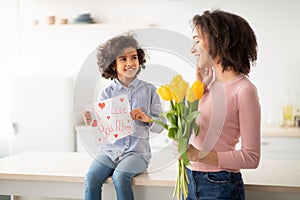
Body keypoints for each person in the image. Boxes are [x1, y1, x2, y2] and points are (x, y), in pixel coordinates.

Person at [184, 10, 261, 200]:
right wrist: (196, 92)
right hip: (189, 180)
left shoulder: (244, 90)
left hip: (219, 184)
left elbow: (251, 157)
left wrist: (199, 155)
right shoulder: (206, 86)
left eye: (197, 40)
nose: (192, 49)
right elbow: (183, 133)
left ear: (219, 40)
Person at [83, 33, 165, 200]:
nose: (130, 63)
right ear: (113, 64)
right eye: (123, 59)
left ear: (139, 60)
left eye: (133, 57)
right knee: (92, 176)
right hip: (111, 151)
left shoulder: (149, 90)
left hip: (137, 154)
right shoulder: (106, 93)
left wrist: (147, 119)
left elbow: (162, 125)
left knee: (120, 177)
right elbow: (101, 131)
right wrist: (92, 121)